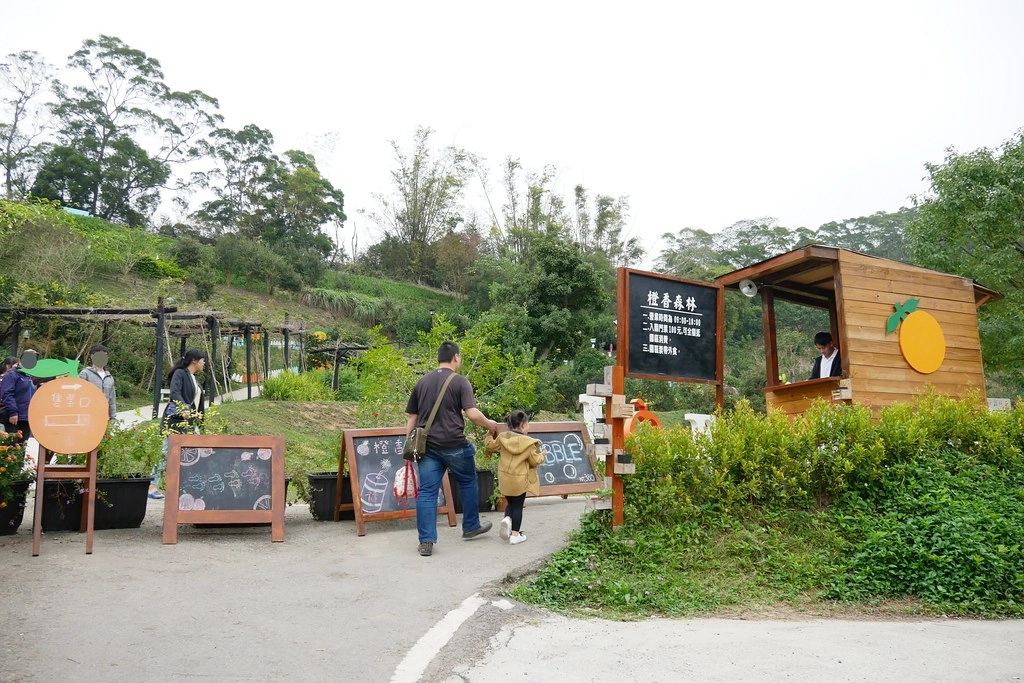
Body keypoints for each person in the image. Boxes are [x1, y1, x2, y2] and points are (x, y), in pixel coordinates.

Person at [405, 341, 500, 557]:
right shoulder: (460, 382)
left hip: (427, 447)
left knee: (427, 492)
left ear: (439, 357)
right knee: (467, 480)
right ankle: (471, 526)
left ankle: (426, 541)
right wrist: (490, 425)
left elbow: (412, 418)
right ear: (456, 357)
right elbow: (472, 414)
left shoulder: (422, 382)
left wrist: (409, 444)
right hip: (454, 445)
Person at [151, 349, 207, 499]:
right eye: (203, 360)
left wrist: (201, 423)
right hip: (175, 420)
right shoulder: (180, 374)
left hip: (190, 423)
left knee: (197, 453)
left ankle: (188, 488)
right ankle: (152, 486)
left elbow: (198, 405)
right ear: (194, 360)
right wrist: (183, 408)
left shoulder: (195, 380)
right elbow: (175, 392)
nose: (204, 363)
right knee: (165, 452)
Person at [485, 409, 544, 545]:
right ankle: (515, 535)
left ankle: (507, 520)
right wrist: (542, 455)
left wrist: (489, 433)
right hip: (519, 479)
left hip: (505, 478)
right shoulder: (529, 443)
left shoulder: (502, 438)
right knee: (518, 506)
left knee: (510, 503)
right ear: (523, 424)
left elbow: (490, 445)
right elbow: (534, 461)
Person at [0, 355, 35, 440]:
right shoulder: (12, 375)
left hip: (26, 416)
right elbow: (7, 394)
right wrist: (13, 412)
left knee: (24, 445)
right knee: (13, 445)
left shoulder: (28, 376)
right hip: (15, 417)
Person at [79, 344, 117, 420]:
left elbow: (112, 399)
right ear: (92, 356)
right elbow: (78, 395)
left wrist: (113, 418)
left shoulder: (109, 377)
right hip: (88, 416)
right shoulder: (85, 374)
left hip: (104, 416)